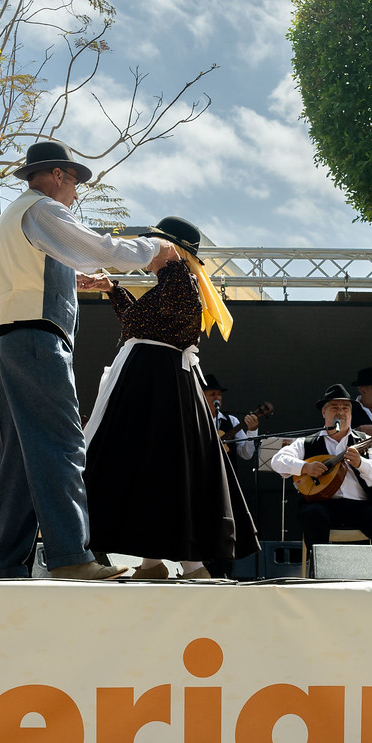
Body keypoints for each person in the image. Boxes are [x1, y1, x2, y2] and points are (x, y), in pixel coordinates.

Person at [0, 140, 179, 581]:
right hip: (38, 339)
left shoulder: (18, 213)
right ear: (58, 176)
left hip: (16, 340)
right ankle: (71, 555)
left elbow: (47, 264)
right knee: (62, 445)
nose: (75, 194)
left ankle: (3, 563)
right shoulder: (45, 211)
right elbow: (96, 247)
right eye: (74, 184)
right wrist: (153, 249)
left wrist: (71, 279)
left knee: (19, 459)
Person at [82, 217, 259, 580]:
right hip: (151, 383)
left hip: (157, 385)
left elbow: (159, 324)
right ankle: (152, 562)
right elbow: (141, 324)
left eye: (154, 244)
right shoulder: (171, 284)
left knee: (159, 466)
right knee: (153, 467)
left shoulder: (178, 279)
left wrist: (165, 262)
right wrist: (112, 288)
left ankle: (191, 566)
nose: (147, 250)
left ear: (172, 249)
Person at [272, 384, 372, 549]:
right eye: (334, 407)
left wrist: (360, 463)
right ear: (324, 412)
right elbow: (278, 460)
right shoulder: (307, 442)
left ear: (351, 413)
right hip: (322, 506)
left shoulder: (364, 440)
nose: (341, 412)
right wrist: (305, 468)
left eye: (345, 408)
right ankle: (318, 572)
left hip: (360, 506)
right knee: (312, 515)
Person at [202, 376, 261, 467]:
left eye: (219, 394)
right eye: (212, 394)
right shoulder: (193, 421)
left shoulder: (232, 421)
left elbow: (246, 454)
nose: (217, 398)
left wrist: (252, 431)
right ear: (201, 397)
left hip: (227, 478)